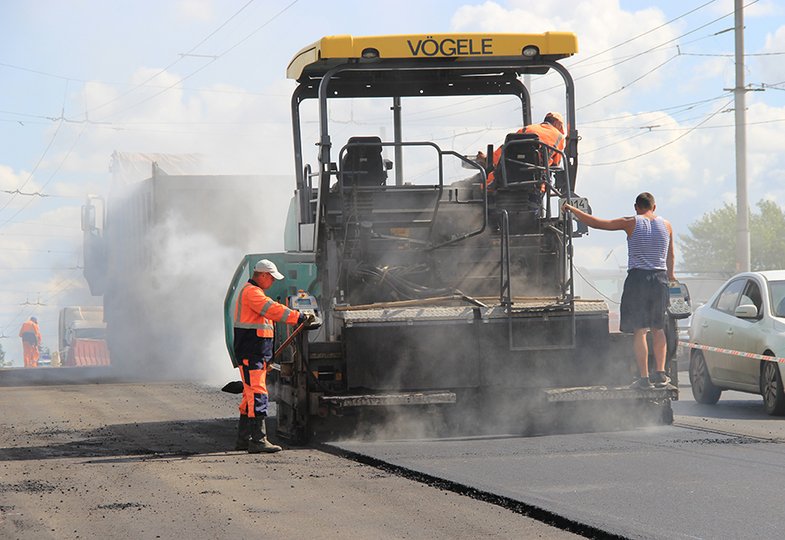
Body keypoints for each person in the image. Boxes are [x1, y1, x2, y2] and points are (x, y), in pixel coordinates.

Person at [562, 192, 676, 390]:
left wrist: (572, 209)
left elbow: (598, 223)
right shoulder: (667, 225)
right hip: (660, 279)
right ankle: (661, 373)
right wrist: (672, 276)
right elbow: (671, 255)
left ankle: (643, 378)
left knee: (640, 330)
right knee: (658, 329)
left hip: (638, 279)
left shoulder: (631, 222)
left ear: (636, 207)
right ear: (654, 207)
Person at [232, 259, 309, 453]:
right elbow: (273, 310)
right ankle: (258, 440)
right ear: (264, 275)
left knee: (249, 395)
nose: (273, 282)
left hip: (256, 353)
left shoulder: (254, 293)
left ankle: (243, 439)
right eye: (272, 278)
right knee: (258, 393)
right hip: (252, 353)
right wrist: (298, 317)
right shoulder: (252, 293)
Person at [478, 112, 566, 187]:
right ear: (556, 123)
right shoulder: (559, 137)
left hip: (508, 176)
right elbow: (555, 165)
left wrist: (488, 159)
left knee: (486, 180)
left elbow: (506, 149)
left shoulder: (526, 129)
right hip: (536, 181)